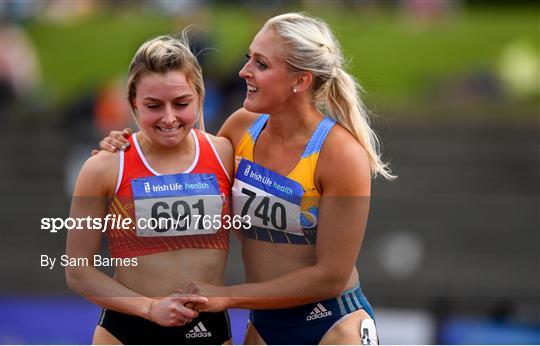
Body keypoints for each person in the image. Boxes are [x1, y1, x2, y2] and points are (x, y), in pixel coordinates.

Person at [99, 12, 394, 344]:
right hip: (264, 326)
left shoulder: (340, 153)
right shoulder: (240, 128)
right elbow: (179, 163)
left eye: (261, 64)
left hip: (330, 324)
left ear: (301, 80)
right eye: (248, 58)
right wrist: (123, 149)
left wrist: (229, 297)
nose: (244, 71)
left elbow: (331, 277)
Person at [67, 34, 234, 345]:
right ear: (133, 103)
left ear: (200, 97)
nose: (169, 118)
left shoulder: (224, 155)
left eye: (181, 104)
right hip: (128, 329)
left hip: (206, 329)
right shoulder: (105, 167)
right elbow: (77, 270)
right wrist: (150, 307)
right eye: (153, 106)